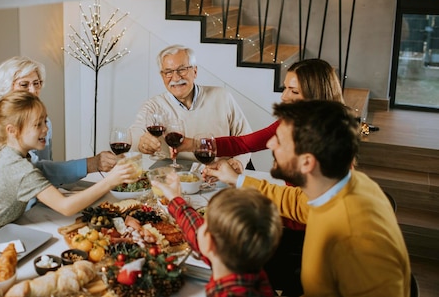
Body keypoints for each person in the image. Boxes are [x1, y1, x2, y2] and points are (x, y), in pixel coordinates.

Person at [205, 100, 411, 297]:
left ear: (307, 163)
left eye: (280, 140)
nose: (270, 143)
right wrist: (237, 180)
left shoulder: (354, 241)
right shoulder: (344, 185)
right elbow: (295, 200)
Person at [0, 57, 118, 222]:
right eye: (24, 85)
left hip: (33, 201)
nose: (33, 91)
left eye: (37, 83)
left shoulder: (41, 122)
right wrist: (91, 165)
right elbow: (35, 171)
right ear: (7, 89)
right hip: (11, 214)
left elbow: (43, 167)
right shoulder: (3, 128)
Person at [0, 91, 138, 248]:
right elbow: (66, 207)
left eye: (45, 122)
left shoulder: (4, 150)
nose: (45, 129)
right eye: (38, 124)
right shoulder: (20, 170)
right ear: (12, 130)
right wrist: (109, 181)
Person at [176, 58, 344, 170]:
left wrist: (239, 181)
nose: (284, 96)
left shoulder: (331, 141)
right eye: (285, 88)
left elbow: (302, 204)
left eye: (294, 91)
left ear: (316, 96)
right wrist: (190, 144)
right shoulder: (290, 122)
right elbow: (243, 143)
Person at [151, 174, 282, 297]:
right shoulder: (245, 262)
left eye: (205, 224)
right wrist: (175, 198)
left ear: (209, 242)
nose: (200, 227)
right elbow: (197, 231)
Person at [131, 44, 253, 170]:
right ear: (162, 76)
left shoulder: (222, 96)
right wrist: (142, 143)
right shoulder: (153, 106)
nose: (176, 77)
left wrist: (239, 162)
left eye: (182, 69)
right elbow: (134, 136)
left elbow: (246, 137)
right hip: (180, 178)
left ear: (195, 71)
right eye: (168, 72)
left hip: (222, 173)